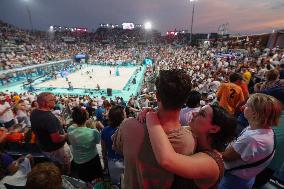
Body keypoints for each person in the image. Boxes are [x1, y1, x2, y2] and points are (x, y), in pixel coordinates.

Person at [112, 69, 195, 189]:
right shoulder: (189, 142)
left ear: (157, 96)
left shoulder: (128, 126)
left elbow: (119, 149)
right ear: (186, 99)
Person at [145, 104, 237, 189]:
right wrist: (153, 113)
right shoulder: (193, 135)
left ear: (214, 129)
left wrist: (151, 117)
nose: (194, 113)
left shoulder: (211, 163)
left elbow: (167, 160)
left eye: (201, 114)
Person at [220, 93, 282, 189]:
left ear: (255, 113)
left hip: (233, 181)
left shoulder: (252, 139)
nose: (243, 106)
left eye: (247, 105)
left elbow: (225, 156)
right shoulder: (265, 130)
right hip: (246, 178)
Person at [30, 92, 72, 174]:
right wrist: (66, 135)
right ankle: (66, 175)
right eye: (52, 100)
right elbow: (56, 139)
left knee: (55, 162)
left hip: (44, 147)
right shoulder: (49, 118)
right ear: (45, 103)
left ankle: (57, 170)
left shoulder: (34, 112)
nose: (55, 101)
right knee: (66, 163)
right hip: (57, 149)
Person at [253, 87, 284, 188]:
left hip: (255, 164)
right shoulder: (270, 116)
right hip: (269, 167)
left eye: (268, 100)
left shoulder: (271, 116)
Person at [67, 107, 103, 182]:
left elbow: (72, 128)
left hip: (78, 161)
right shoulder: (93, 132)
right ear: (86, 118)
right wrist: (93, 127)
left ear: (74, 119)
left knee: (84, 180)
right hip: (93, 159)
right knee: (97, 179)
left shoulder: (70, 131)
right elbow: (97, 141)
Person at [101, 105, 125, 185]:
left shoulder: (104, 131)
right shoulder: (127, 130)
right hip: (127, 162)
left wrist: (105, 165)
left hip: (113, 163)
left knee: (116, 184)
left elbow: (103, 151)